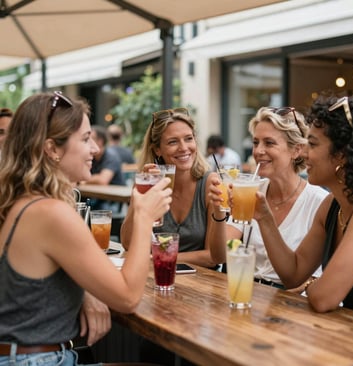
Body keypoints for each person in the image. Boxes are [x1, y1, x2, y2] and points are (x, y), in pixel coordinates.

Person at [0, 91, 172, 365]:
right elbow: (127, 297)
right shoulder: (50, 213)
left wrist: (86, 292)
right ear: (52, 149)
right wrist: (143, 218)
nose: (96, 148)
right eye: (85, 139)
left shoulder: (23, 202)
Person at [242, 95, 353, 315]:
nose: (302, 153)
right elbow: (293, 273)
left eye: (312, 144)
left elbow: (324, 299)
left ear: (341, 155)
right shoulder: (332, 206)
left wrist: (313, 286)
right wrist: (264, 217)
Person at [211, 107, 328, 289]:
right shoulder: (250, 190)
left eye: (269, 143)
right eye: (256, 143)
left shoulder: (319, 201)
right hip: (246, 293)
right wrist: (218, 209)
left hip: (292, 303)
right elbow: (218, 255)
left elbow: (314, 280)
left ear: (296, 150)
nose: (258, 151)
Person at [121, 108, 227, 269]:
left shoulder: (209, 183)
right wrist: (139, 193)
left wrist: (157, 257)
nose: (184, 148)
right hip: (157, 278)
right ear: (157, 149)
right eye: (173, 142)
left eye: (188, 139)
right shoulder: (151, 184)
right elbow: (128, 243)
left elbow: (212, 256)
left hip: (202, 284)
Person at [84, 125, 125, 211]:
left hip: (114, 201)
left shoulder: (111, 156)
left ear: (100, 141)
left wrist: (85, 180)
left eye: (92, 138)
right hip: (98, 198)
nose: (88, 142)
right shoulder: (92, 157)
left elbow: (103, 180)